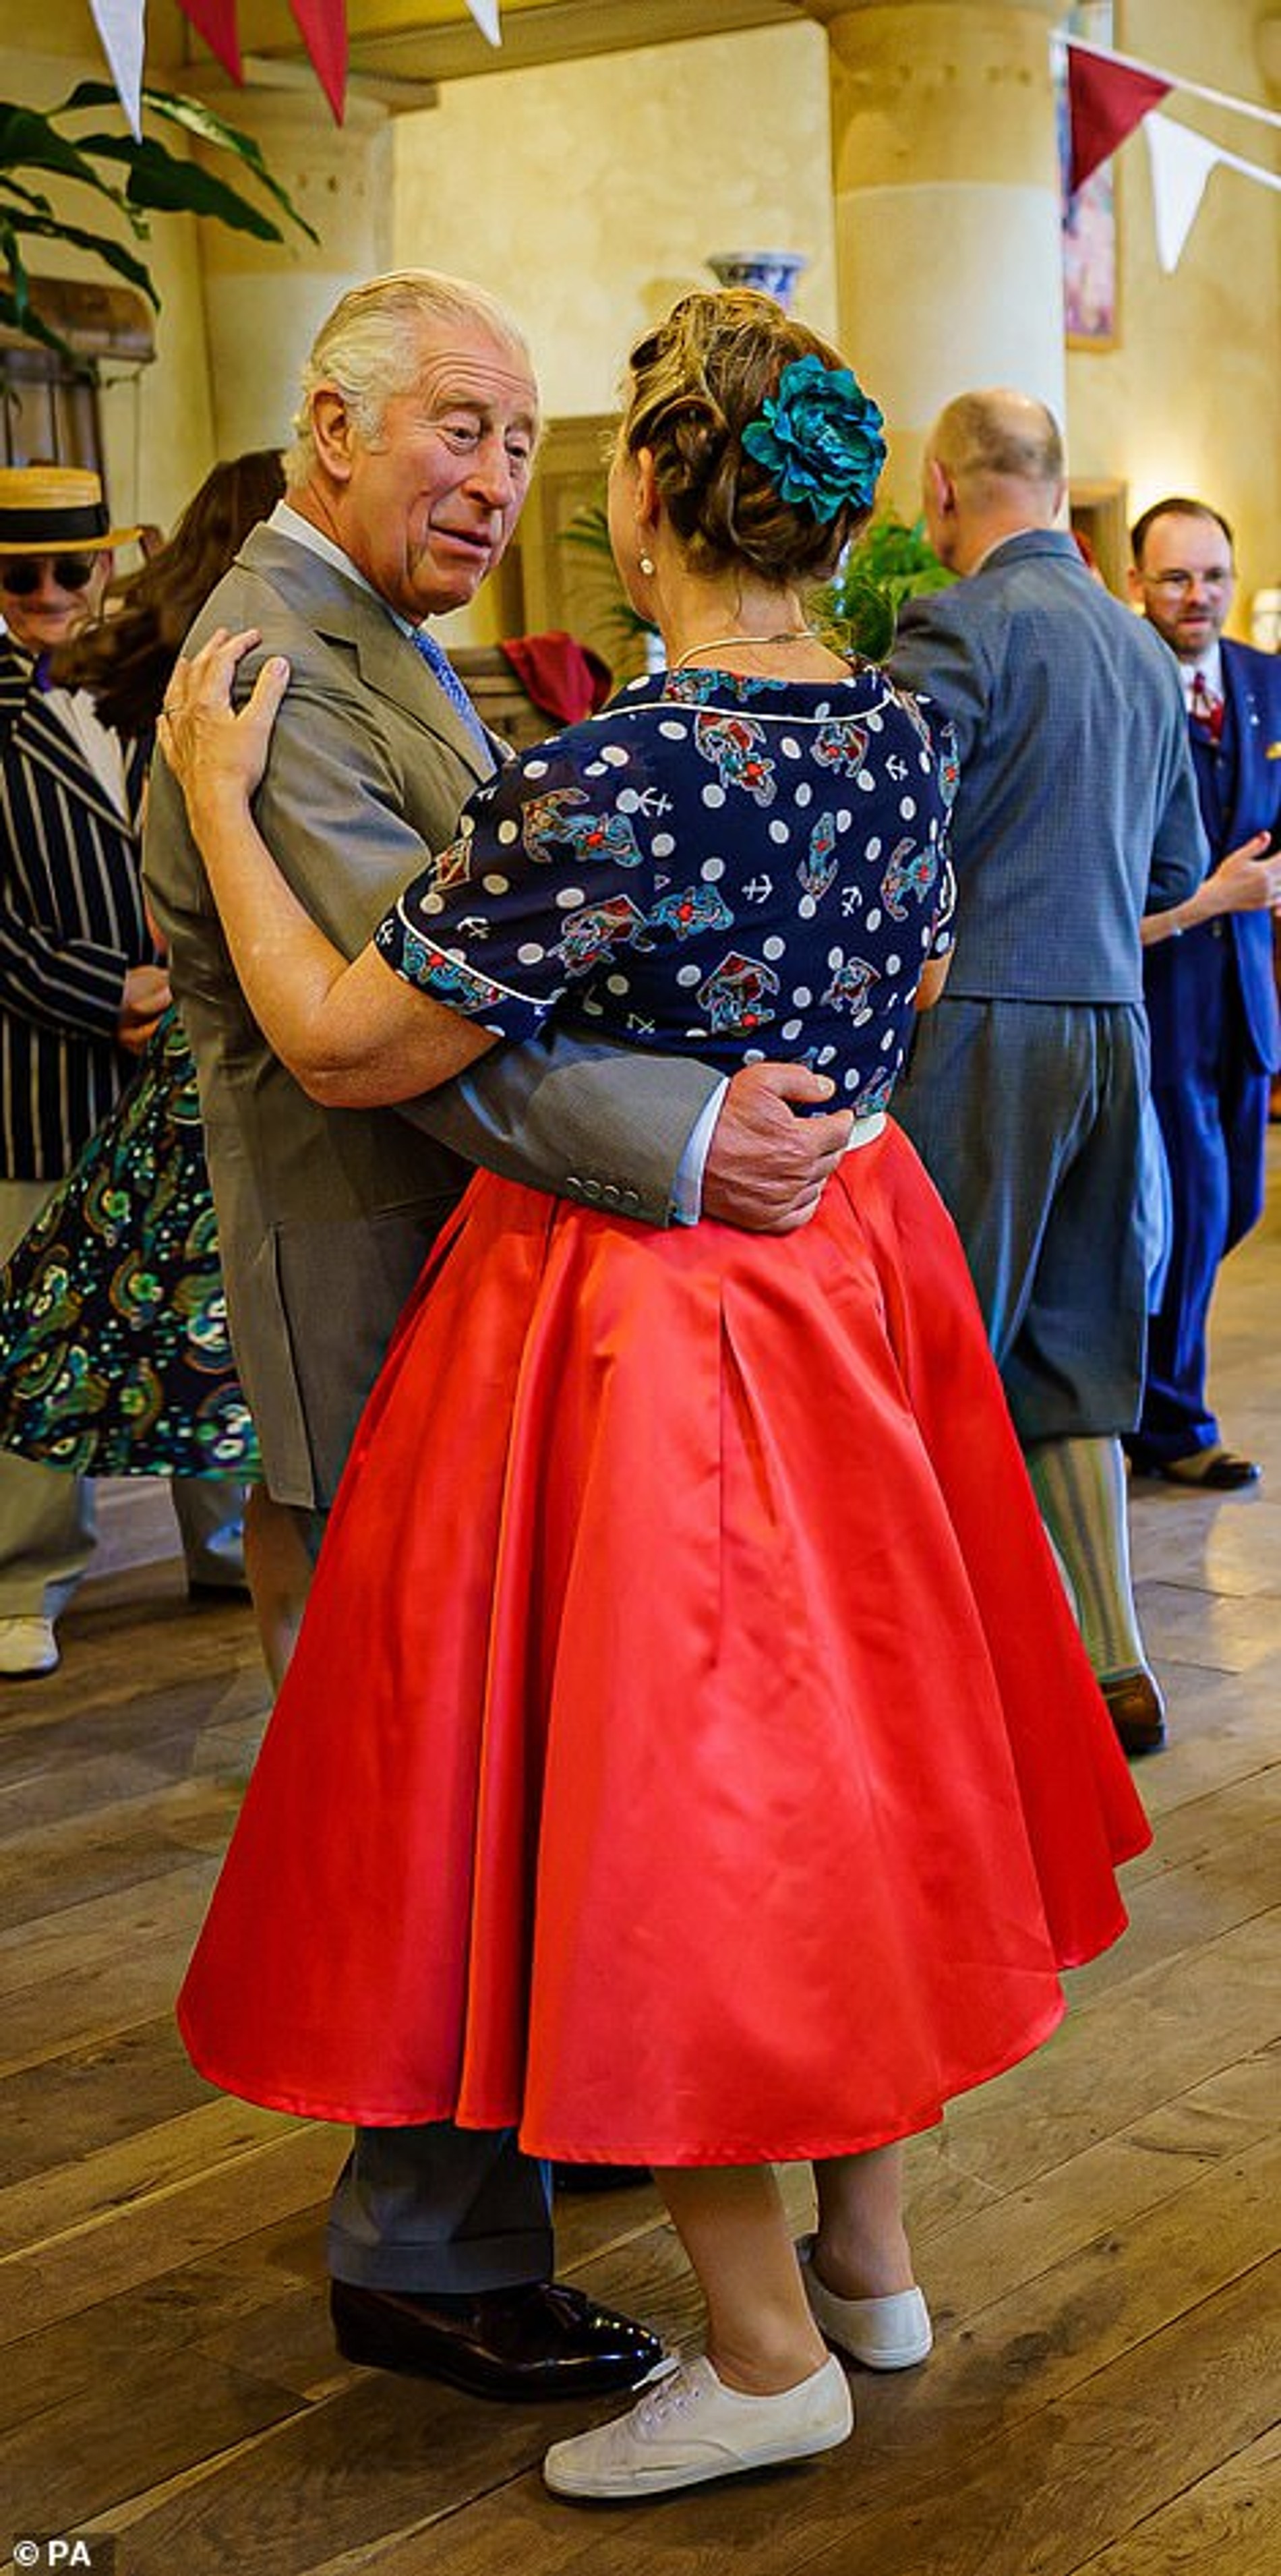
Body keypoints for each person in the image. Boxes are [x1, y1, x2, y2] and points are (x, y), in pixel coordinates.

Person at [158, 289, 1150, 2503]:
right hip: (856, 1276)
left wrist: (220, 805)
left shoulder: (617, 771)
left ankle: (768, 2351)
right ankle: (867, 2266)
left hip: (652, 1317)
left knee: (675, 1828)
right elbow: (910, 964)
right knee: (847, 1783)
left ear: (640, 497)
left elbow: (338, 1038)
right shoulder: (894, 730)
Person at [144, 271, 852, 2409]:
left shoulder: (376, 633)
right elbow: (403, 1023)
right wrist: (688, 1129)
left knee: (499, 1740)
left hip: (497, 1284)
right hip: (376, 1267)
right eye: (457, 427)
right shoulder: (268, 656)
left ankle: (531, 2121)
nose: (492, 478)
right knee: (419, 1770)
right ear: (328, 429)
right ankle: (428, 2248)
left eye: (521, 439)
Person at [885, 392, 1207, 1761]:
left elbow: (892, 833)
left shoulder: (956, 624)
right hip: (1111, 1024)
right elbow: (1177, 868)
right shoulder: (1141, 647)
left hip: (978, 1028)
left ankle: (934, 1672)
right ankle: (1115, 1661)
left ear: (943, 488)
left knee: (936, 1344)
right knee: (1077, 1348)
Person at [0, 450, 313, 1687]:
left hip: (185, 1050)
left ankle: (225, 1540)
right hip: (38, 1068)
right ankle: (26, 1577)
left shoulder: (169, 671)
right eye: (23, 576)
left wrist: (177, 980)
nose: (51, 595)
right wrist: (104, 990)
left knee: (205, 1307)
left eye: (71, 570)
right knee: (40, 1322)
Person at [1125, 497, 1281, 1489]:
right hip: (1160, 984)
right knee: (1188, 1203)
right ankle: (1173, 1421)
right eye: (1177, 578)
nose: (1199, 596)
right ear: (1137, 584)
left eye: (1213, 576)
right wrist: (1207, 898)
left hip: (1247, 991)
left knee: (1236, 1209)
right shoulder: (1125, 681)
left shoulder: (1266, 680)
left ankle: (1143, 1386)